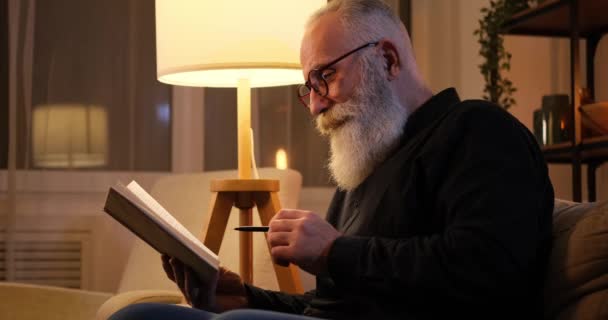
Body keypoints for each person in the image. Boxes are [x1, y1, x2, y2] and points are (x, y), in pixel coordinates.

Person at [110, 0, 554, 319]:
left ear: (387, 59)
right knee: (141, 316)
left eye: (326, 76)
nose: (317, 105)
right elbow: (329, 306)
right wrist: (242, 296)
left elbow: (488, 269)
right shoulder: (366, 161)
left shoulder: (479, 131)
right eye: (308, 87)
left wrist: (334, 250)